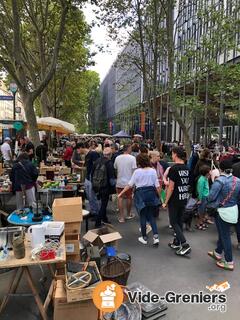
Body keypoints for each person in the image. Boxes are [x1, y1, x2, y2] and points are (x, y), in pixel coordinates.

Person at [118, 153, 160, 246]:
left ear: (139, 162)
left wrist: (121, 193)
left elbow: (130, 184)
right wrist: (160, 197)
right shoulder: (153, 171)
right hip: (151, 193)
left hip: (140, 194)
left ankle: (144, 237)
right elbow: (157, 186)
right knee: (151, 216)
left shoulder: (137, 172)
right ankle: (156, 237)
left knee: (143, 216)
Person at [207, 159, 240, 271]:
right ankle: (217, 252)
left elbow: (211, 197)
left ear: (220, 168)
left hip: (222, 211)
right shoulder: (238, 180)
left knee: (225, 235)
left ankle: (229, 261)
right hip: (233, 210)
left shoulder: (219, 181)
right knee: (223, 233)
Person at [162, 147, 191, 256]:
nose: (172, 156)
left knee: (173, 222)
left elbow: (171, 187)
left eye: (172, 154)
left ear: (175, 154)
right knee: (179, 221)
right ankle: (177, 242)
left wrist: (165, 201)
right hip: (183, 197)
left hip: (174, 199)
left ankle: (184, 244)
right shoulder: (187, 168)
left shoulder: (173, 169)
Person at [92, 147, 116, 227]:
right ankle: (98, 222)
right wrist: (114, 187)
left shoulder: (97, 161)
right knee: (104, 204)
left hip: (97, 185)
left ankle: (104, 218)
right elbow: (111, 178)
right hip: (105, 187)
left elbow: (92, 173)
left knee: (102, 202)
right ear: (110, 155)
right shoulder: (109, 163)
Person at [114, 144, 137, 223]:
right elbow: (134, 170)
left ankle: (121, 217)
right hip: (129, 181)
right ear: (128, 149)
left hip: (119, 181)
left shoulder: (117, 158)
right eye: (130, 148)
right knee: (129, 197)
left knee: (120, 198)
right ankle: (128, 214)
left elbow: (115, 168)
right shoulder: (132, 158)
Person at [196, 165, 210, 230]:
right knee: (200, 212)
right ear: (206, 172)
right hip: (203, 198)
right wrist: (200, 199)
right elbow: (200, 190)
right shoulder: (201, 180)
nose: (210, 172)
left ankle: (201, 222)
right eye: (209, 171)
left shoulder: (205, 178)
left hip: (205, 197)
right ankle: (198, 224)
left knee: (203, 211)